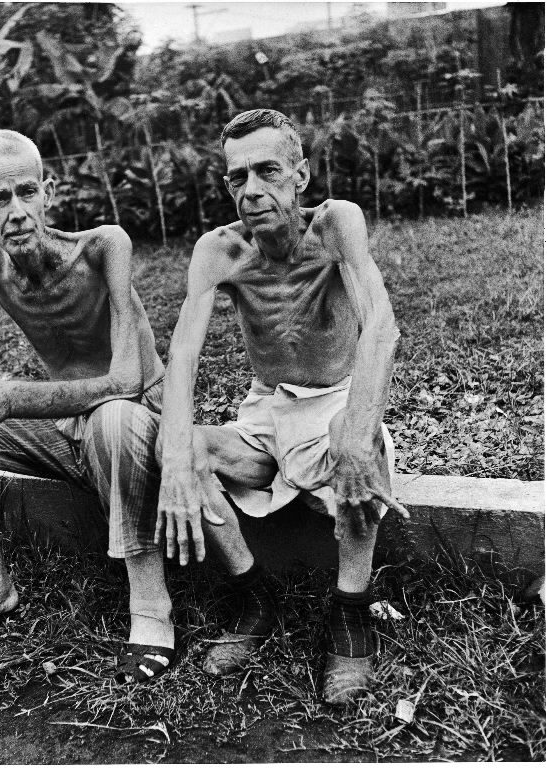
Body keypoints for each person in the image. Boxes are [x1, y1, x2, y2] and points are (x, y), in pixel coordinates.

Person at [154, 109, 409, 705]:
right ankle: (253, 595)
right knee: (183, 445)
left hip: (335, 398)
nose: (252, 190)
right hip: (266, 410)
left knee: (362, 442)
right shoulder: (219, 251)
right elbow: (183, 355)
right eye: (237, 177)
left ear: (300, 173)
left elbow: (381, 330)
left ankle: (351, 611)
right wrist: (174, 459)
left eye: (267, 171)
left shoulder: (336, 225)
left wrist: (357, 428)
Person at [0, 129, 188, 683]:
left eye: (27, 192)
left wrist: (11, 397)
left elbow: (127, 380)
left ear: (49, 191)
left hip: (137, 424)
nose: (16, 212)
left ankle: (151, 606)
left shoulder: (104, 246)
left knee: (114, 418)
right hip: (66, 430)